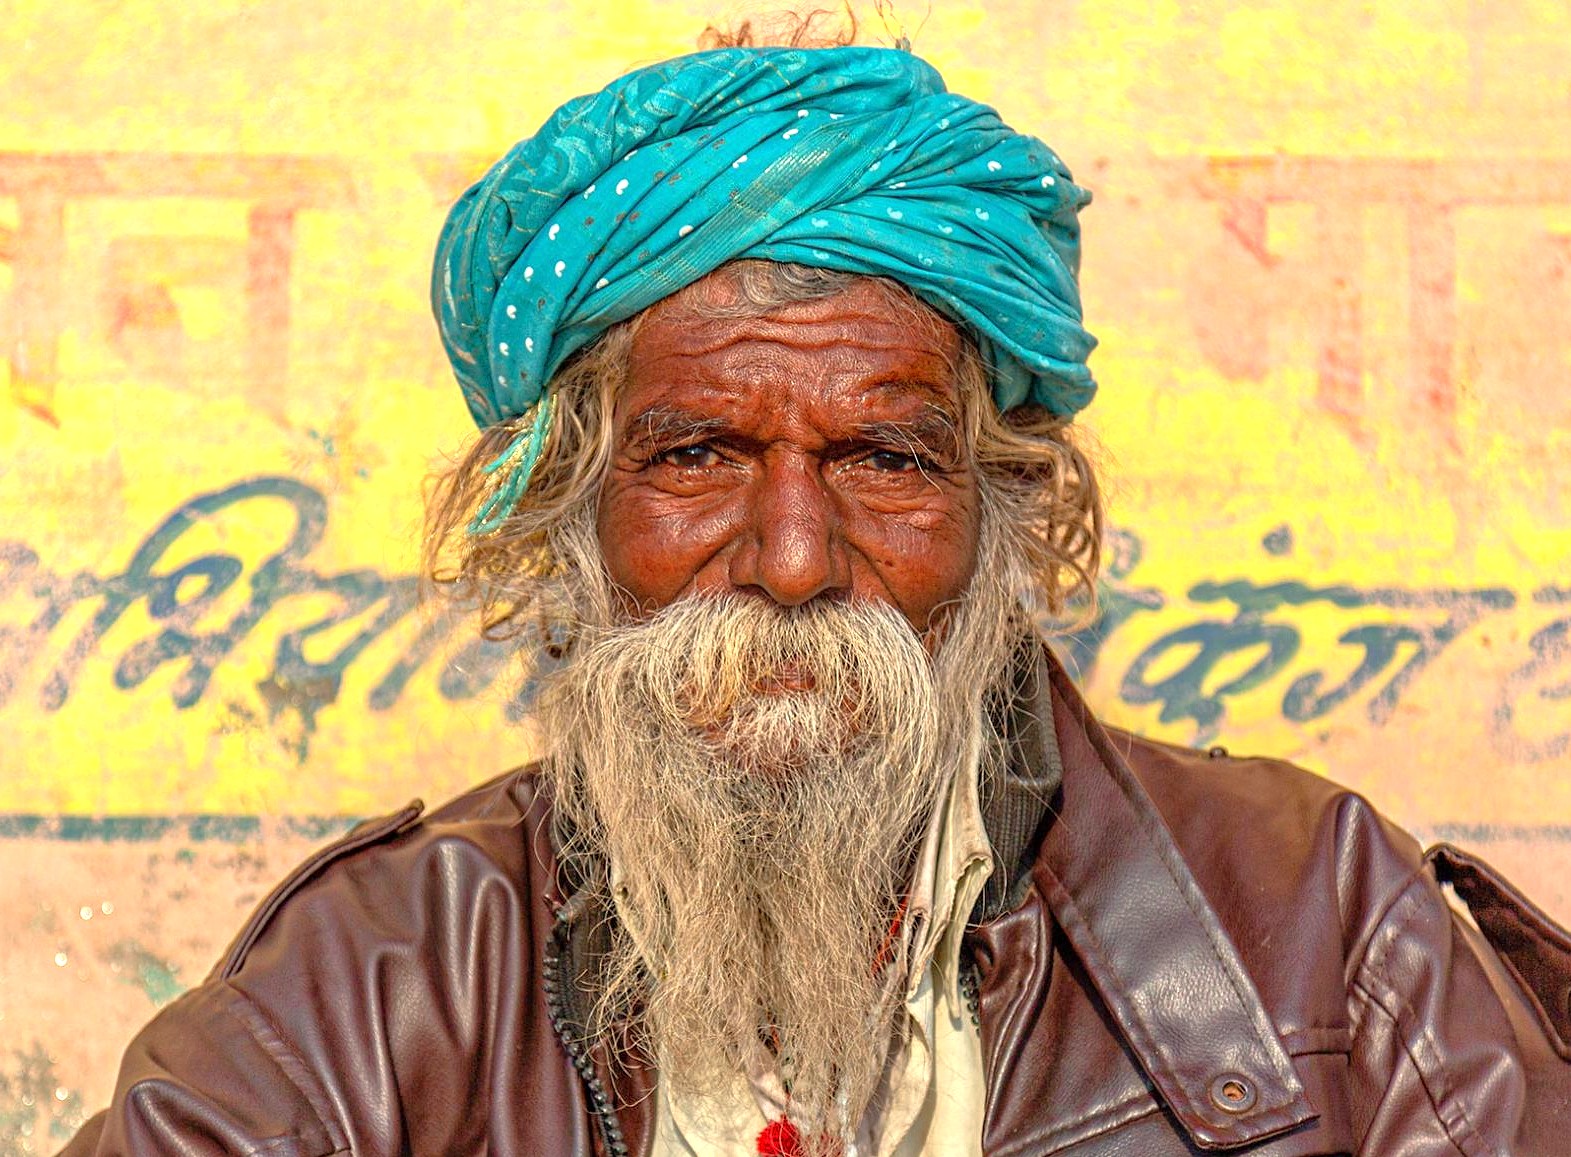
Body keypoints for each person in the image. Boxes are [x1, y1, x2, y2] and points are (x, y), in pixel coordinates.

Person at [64, 28, 1571, 1157]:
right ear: (573, 511)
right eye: (700, 453)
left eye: (886, 460)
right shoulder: (384, 975)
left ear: (1002, 511)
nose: (794, 559)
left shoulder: (1312, 922)